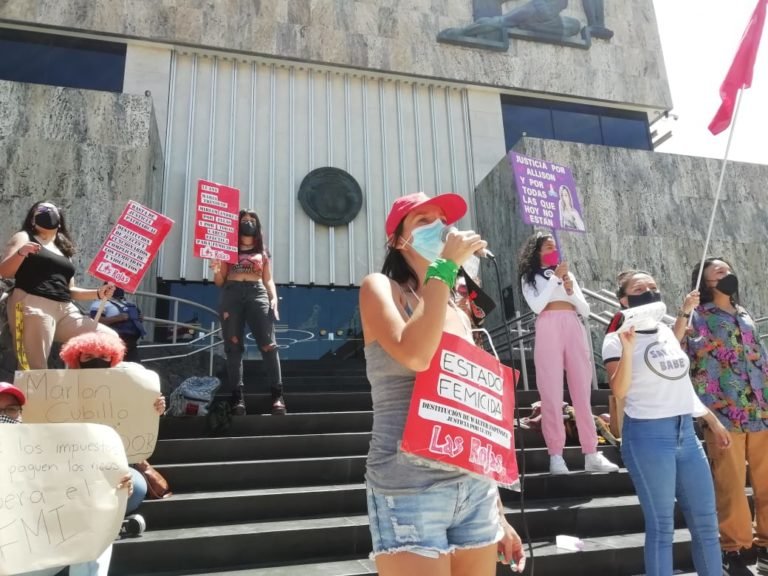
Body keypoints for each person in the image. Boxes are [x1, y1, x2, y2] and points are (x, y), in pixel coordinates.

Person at [359, 192, 525, 576]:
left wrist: (498, 511)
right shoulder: (381, 289)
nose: (439, 227)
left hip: (473, 488)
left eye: (441, 219)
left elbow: (472, 412)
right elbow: (415, 354)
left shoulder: (457, 306)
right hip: (409, 485)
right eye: (422, 221)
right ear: (398, 241)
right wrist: (445, 266)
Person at [603, 269, 730, 576]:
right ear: (624, 299)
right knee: (661, 527)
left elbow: (678, 380)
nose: (649, 290)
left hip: (685, 433)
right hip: (648, 435)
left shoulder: (664, 331)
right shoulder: (615, 339)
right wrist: (629, 346)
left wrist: (710, 419)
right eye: (639, 287)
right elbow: (619, 391)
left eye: (653, 286)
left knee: (706, 522)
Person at [685, 258, 768, 576]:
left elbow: (760, 357)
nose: (725, 272)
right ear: (704, 281)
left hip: (760, 409)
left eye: (728, 268)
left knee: (766, 482)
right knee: (730, 482)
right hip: (724, 411)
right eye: (717, 270)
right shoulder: (699, 316)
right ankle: (734, 548)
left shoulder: (745, 314)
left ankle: (765, 546)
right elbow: (684, 353)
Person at [0, 381, 134, 576]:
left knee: (96, 538)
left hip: (38, 552)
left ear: (20, 413)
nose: (4, 416)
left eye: (11, 409)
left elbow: (75, 495)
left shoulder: (42, 452)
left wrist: (117, 489)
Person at [518, 232, 617, 475]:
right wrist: (555, 280)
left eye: (554, 244)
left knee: (582, 391)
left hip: (573, 324)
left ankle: (591, 452)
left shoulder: (567, 275)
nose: (552, 247)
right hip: (548, 324)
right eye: (546, 245)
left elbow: (584, 309)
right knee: (550, 391)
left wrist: (570, 289)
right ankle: (556, 455)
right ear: (536, 250)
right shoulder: (529, 277)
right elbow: (537, 306)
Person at [59, 331, 168, 531]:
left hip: (114, 464)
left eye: (103, 356)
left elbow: (138, 420)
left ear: (113, 357)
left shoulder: (126, 385)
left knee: (136, 488)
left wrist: (155, 408)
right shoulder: (58, 388)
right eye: (88, 357)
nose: (96, 361)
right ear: (77, 358)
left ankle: (104, 521)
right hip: (71, 465)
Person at [0, 201, 116, 370]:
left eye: (51, 209)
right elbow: (5, 271)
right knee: (34, 369)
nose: (47, 211)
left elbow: (69, 290)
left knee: (107, 338)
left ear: (59, 221)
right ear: (33, 219)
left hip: (65, 308)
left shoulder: (63, 249)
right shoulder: (24, 237)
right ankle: (31, 396)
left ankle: (78, 389)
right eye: (42, 209)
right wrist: (21, 253)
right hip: (32, 303)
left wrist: (98, 293)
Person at [209, 209, 284, 416]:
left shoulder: (263, 250)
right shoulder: (227, 250)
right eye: (244, 220)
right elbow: (220, 282)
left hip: (257, 292)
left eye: (252, 220)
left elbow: (268, 278)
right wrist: (215, 268)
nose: (248, 222)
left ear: (257, 225)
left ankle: (277, 396)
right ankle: (237, 398)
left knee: (269, 345)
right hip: (231, 293)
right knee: (233, 346)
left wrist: (274, 298)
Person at [90, 286, 146, 363]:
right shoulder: (100, 303)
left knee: (135, 368)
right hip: (112, 342)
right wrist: (117, 318)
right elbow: (95, 321)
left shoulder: (127, 303)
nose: (118, 289)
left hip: (131, 344)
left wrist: (138, 318)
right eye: (114, 287)